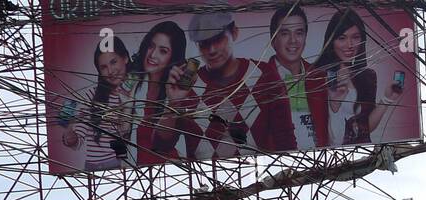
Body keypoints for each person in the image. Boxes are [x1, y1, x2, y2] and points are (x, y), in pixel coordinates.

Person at [170, 10, 294, 159]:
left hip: (260, 180)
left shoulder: (264, 75)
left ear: (234, 32)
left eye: (218, 39)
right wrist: (174, 103)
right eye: (204, 44)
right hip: (205, 181)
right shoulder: (189, 85)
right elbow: (161, 146)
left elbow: (286, 142)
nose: (212, 50)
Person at [315, 7, 405, 146]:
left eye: (355, 37)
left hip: (357, 152)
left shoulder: (367, 76)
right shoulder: (316, 75)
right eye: (342, 38)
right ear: (331, 40)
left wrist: (387, 99)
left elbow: (366, 127)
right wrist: (334, 104)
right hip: (323, 155)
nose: (349, 45)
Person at [130, 21, 203, 163]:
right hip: (137, 174)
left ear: (173, 58)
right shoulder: (132, 83)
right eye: (151, 46)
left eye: (163, 51)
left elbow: (161, 144)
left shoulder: (181, 93)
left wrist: (173, 103)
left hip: (170, 175)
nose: (152, 54)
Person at [57, 36, 134, 171]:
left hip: (123, 164)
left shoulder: (139, 88)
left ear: (125, 58)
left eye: (114, 62)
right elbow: (77, 139)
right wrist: (70, 136)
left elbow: (129, 133)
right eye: (104, 67)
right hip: (93, 166)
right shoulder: (92, 95)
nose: (110, 71)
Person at [263, 3, 330, 150]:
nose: (293, 40)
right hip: (278, 165)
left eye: (299, 33)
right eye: (285, 33)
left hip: (318, 163)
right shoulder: (260, 80)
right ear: (273, 39)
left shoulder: (319, 77)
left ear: (305, 37)